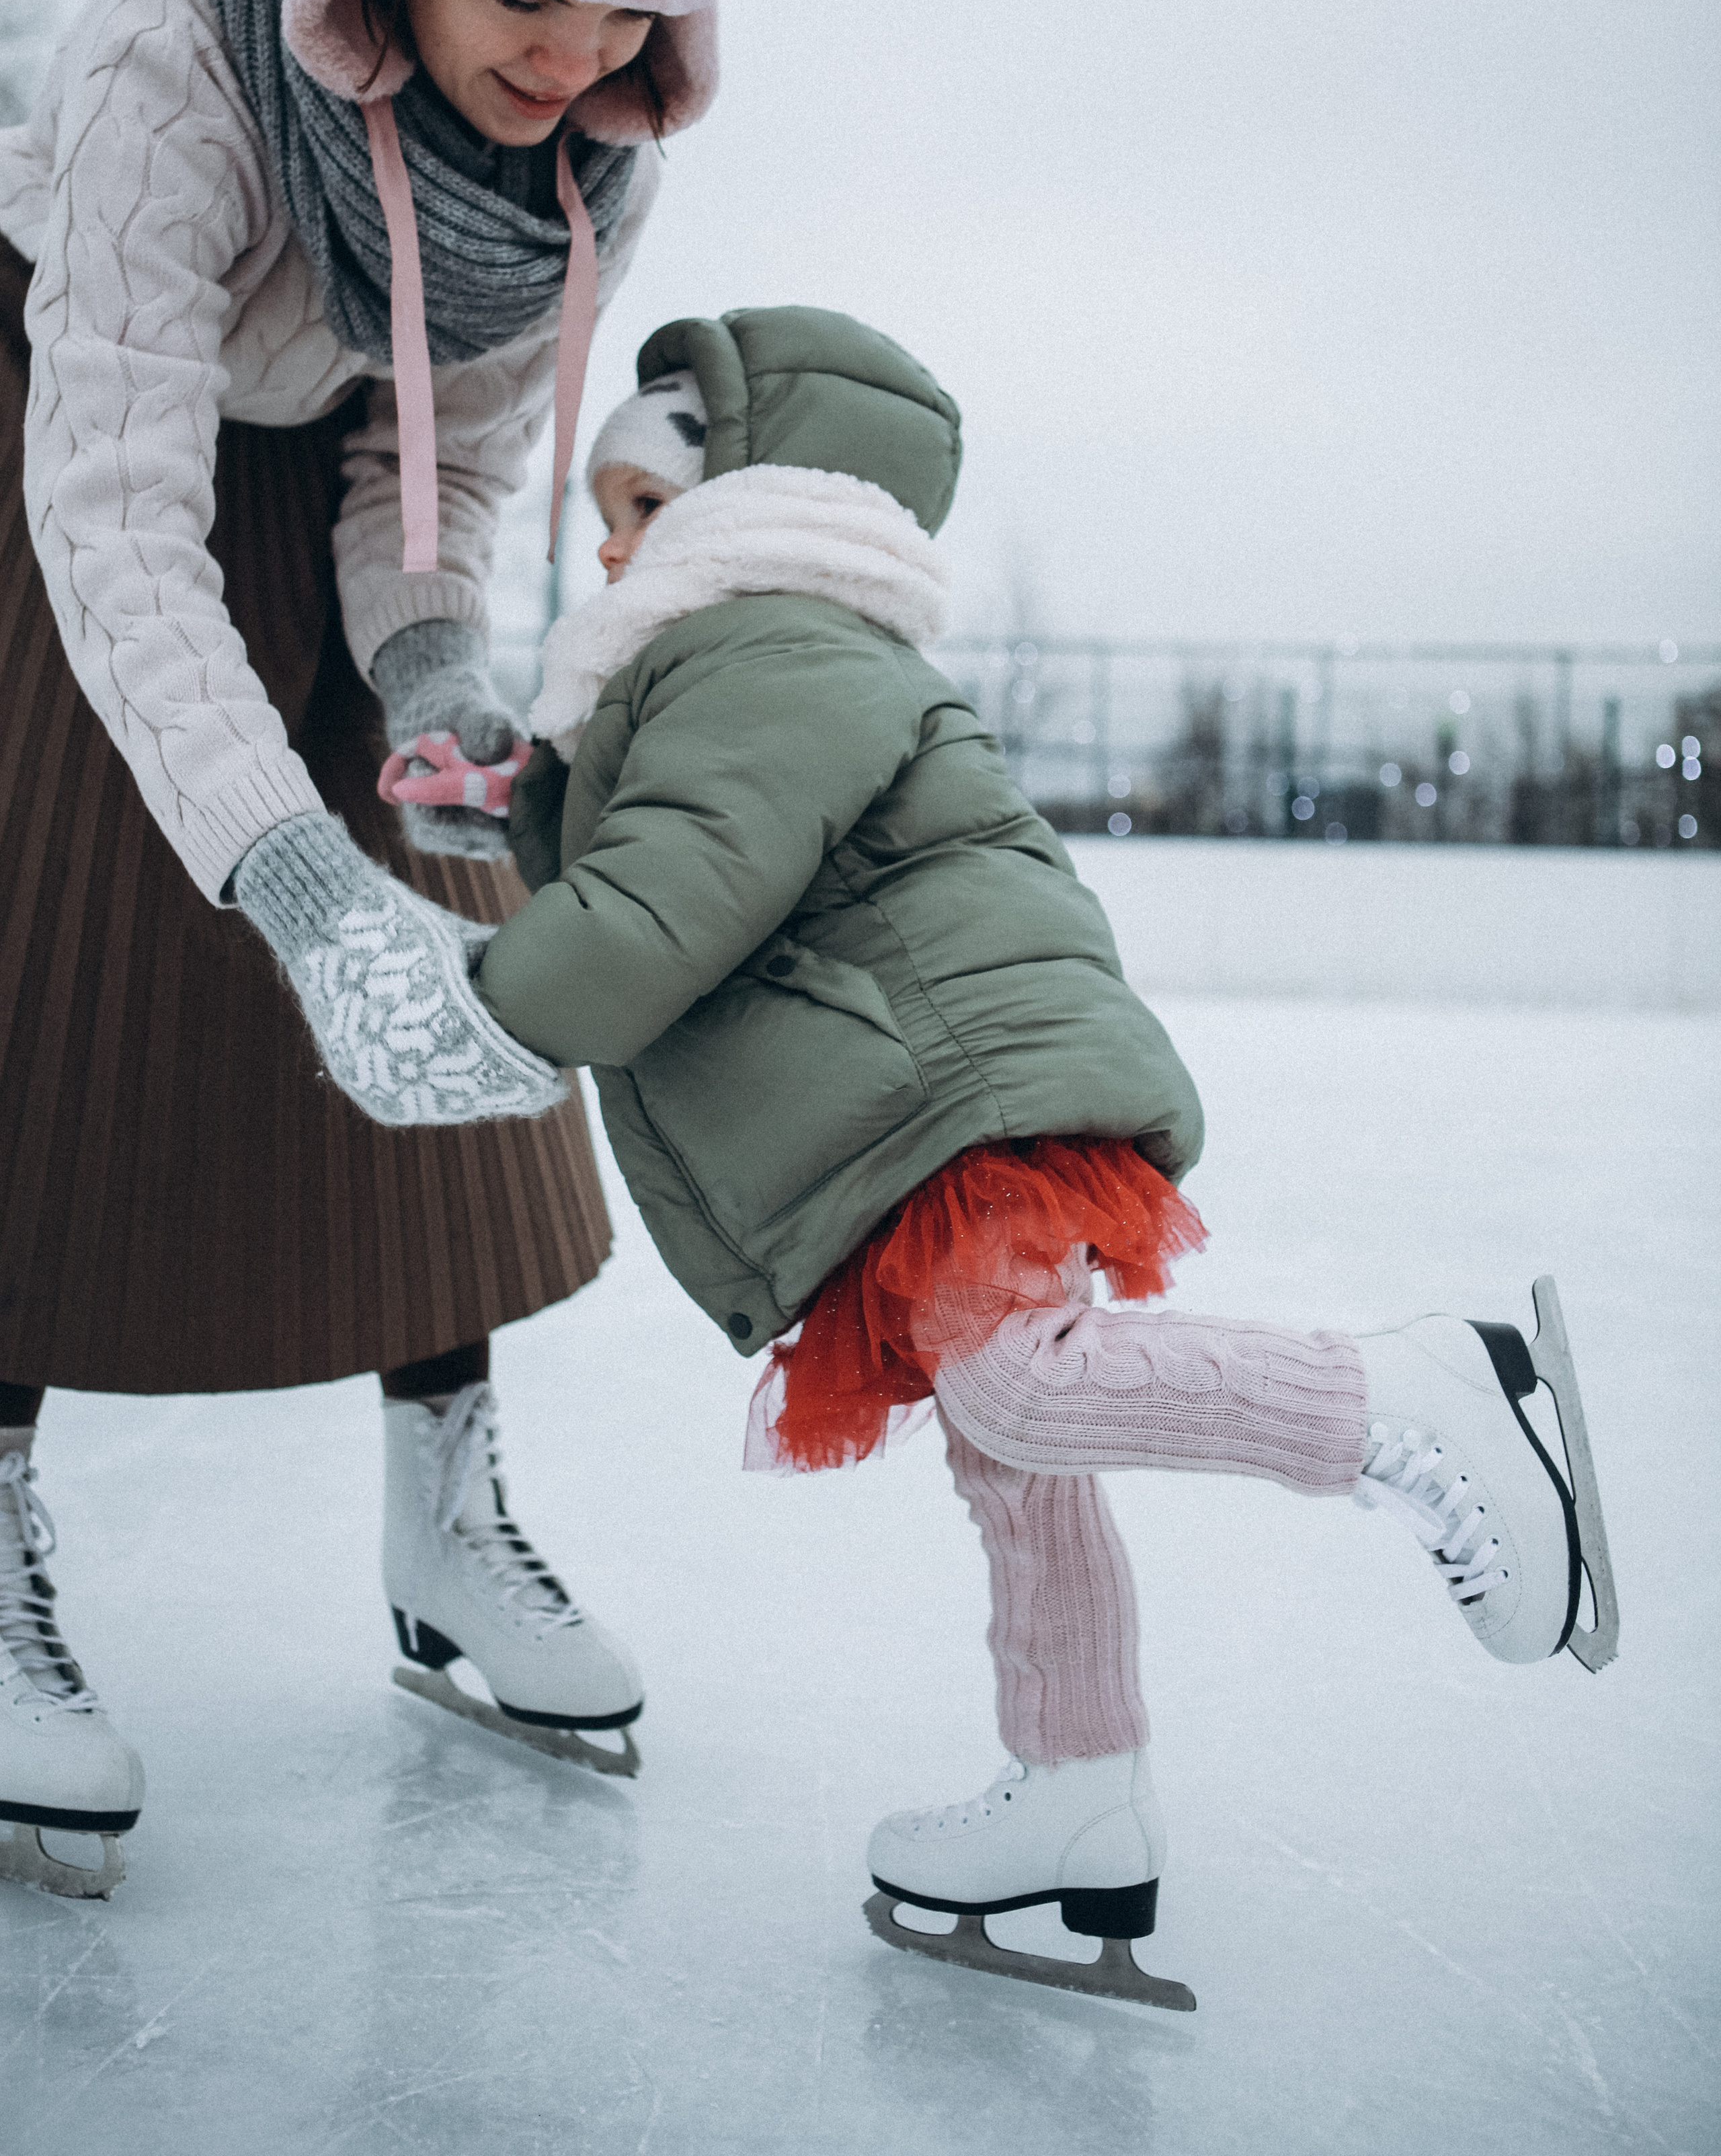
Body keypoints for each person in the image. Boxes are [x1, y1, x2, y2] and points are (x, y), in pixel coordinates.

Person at [469, 304, 1617, 2004]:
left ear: (746, 500)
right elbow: (657, 827)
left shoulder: (764, 637)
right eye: (605, 518)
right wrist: (498, 804)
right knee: (1013, 1461)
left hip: (951, 1091)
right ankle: (1080, 1790)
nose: (615, 545)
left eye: (640, 507)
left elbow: (670, 893)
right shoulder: (752, 656)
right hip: (921, 1095)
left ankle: (1413, 1393)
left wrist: (483, 997)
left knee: (1016, 1392)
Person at [0, 0, 757, 1898]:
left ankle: (449, 1527)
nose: (581, 47)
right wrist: (287, 884)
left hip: (332, 490)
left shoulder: (586, 158)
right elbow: (115, 513)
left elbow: (425, 483)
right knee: (48, 998)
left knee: (453, 989)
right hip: (68, 454)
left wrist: (436, 695)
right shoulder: (174, 59)